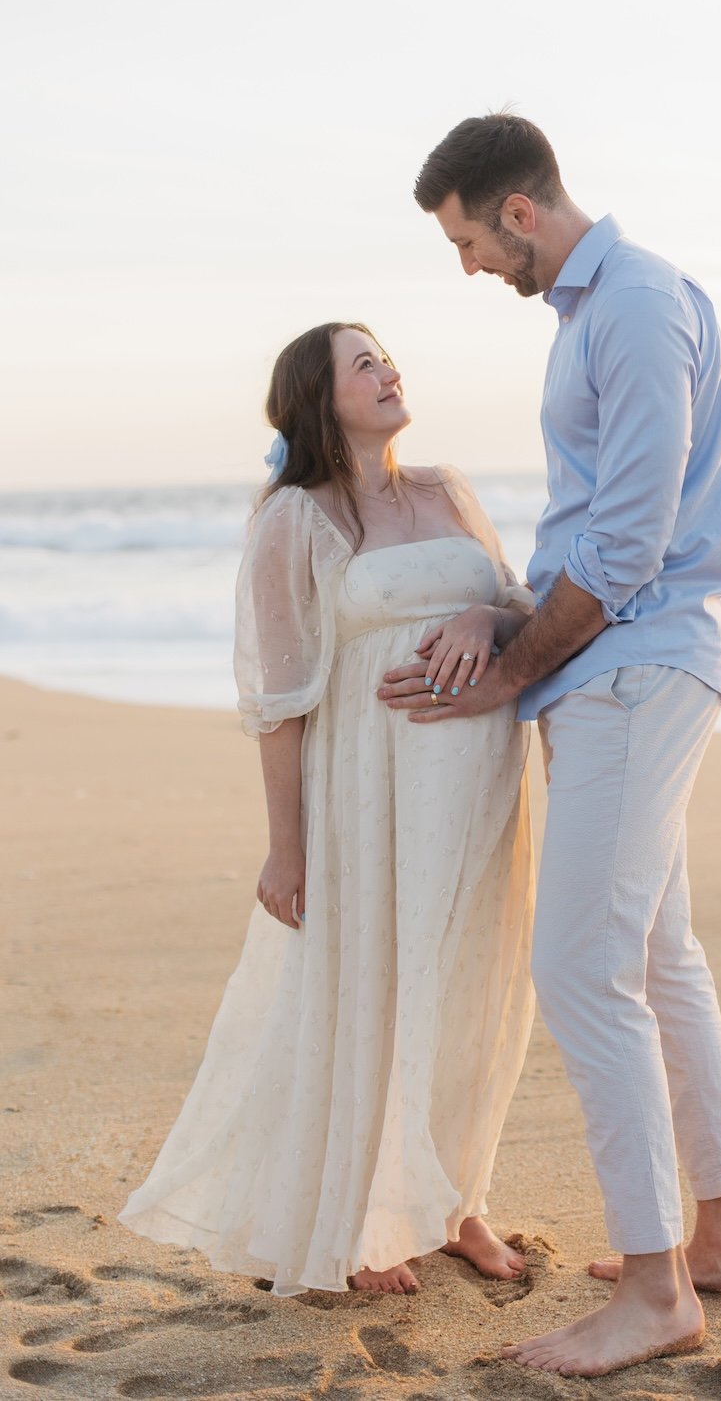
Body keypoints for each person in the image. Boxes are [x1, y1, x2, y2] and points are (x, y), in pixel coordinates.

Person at [380, 115, 721, 1374]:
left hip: (635, 670)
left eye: (465, 240)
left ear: (519, 209)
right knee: (659, 959)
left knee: (580, 966)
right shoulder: (592, 318)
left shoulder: (638, 304)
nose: (467, 269)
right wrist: (504, 616)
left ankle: (656, 1293)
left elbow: (628, 540)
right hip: (610, 667)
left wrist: (508, 667)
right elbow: (580, 535)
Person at [120, 321, 536, 1296]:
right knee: (375, 986)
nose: (389, 370)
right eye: (364, 364)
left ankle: (454, 1201)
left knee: (468, 981)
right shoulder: (295, 519)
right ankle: (364, 1213)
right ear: (322, 397)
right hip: (368, 789)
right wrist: (287, 849)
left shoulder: (446, 490)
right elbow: (278, 699)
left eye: (386, 355)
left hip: (479, 783)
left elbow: (521, 601)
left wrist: (488, 617)